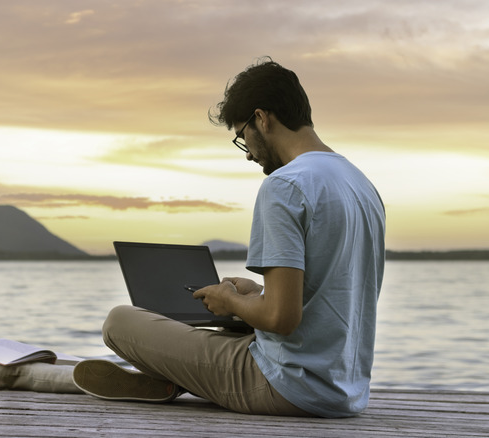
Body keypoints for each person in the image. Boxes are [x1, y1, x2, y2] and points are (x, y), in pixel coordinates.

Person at [72, 57, 386, 418]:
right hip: (345, 389)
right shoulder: (360, 185)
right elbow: (331, 296)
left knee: (120, 322)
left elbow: (283, 319)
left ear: (261, 119)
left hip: (286, 384)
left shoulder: (285, 185)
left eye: (242, 137)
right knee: (225, 331)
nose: (249, 153)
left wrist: (230, 301)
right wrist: (258, 295)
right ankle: (173, 377)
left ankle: (171, 377)